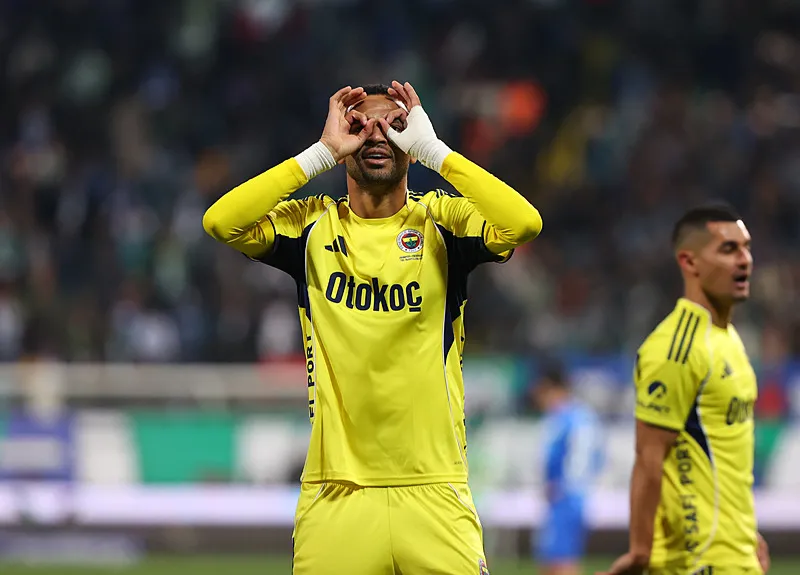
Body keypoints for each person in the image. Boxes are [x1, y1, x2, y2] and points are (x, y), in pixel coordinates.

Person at [203, 81, 542, 574]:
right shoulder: (312, 226)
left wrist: (436, 152)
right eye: (361, 125)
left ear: (412, 138)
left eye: (395, 125)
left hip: (434, 491)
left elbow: (524, 223)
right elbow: (221, 222)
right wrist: (320, 153)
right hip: (336, 495)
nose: (378, 135)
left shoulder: (441, 221)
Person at [599, 203, 770, 575]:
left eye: (746, 248)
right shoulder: (676, 349)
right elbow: (648, 460)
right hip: (696, 561)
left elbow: (723, 452)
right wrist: (639, 552)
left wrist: (747, 534)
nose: (745, 260)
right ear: (689, 262)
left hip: (737, 555)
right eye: (729, 249)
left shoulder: (728, 338)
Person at [531, 361, 603, 575]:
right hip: (559, 499)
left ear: (549, 387)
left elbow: (584, 458)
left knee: (562, 561)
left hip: (566, 498)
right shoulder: (559, 417)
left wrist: (566, 487)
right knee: (550, 560)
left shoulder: (575, 418)